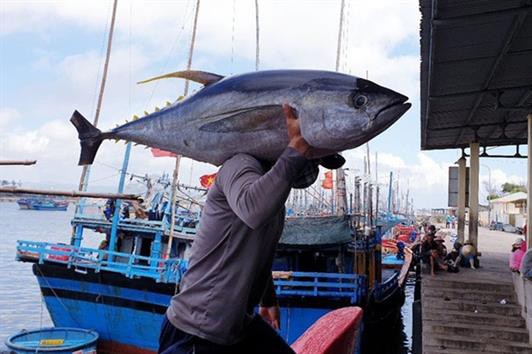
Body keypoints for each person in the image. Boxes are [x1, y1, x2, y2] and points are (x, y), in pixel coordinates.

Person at [158, 104, 316, 354]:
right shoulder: (240, 164)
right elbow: (253, 209)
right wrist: (295, 150)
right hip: (197, 331)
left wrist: (267, 299)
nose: (310, 164)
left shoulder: (273, 191)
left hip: (236, 324)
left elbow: (257, 255)